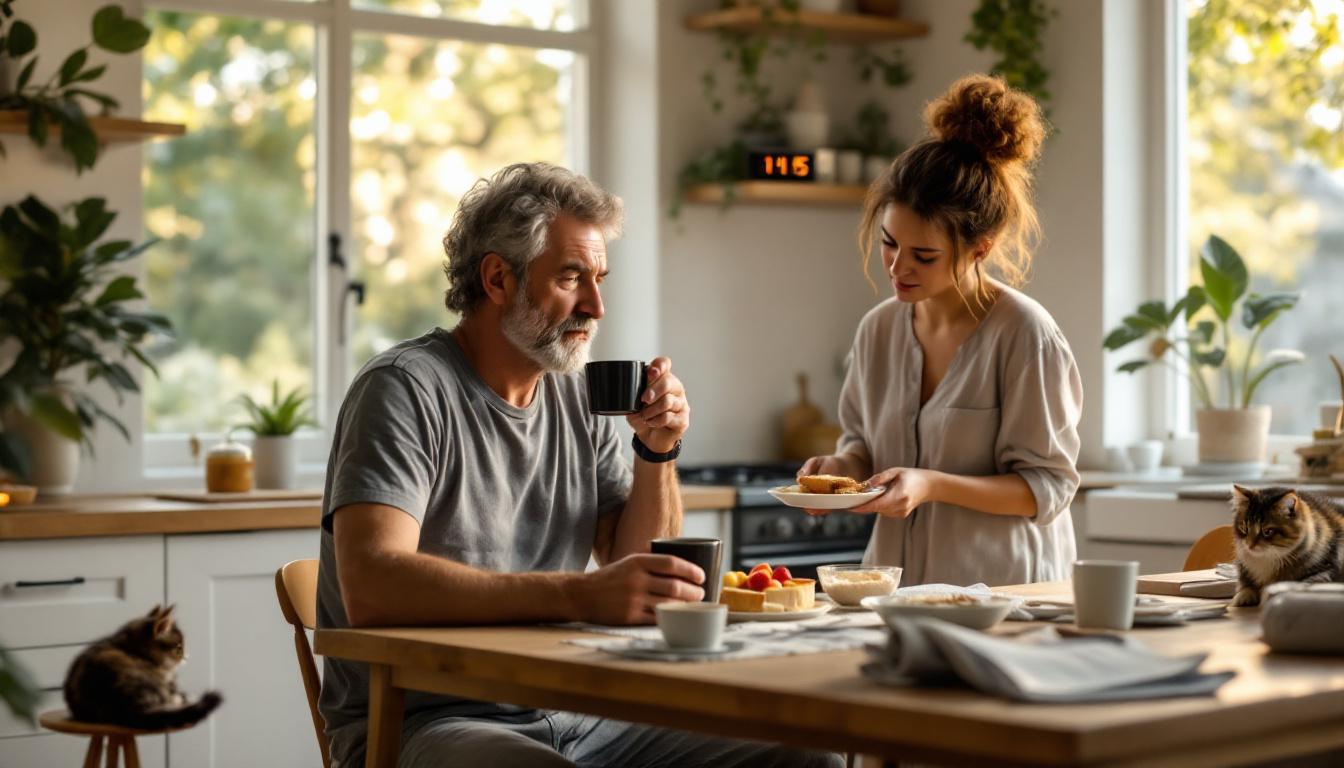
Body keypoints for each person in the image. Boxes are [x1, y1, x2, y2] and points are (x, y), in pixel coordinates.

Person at [315, 162, 842, 768]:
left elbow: (630, 563)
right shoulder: (406, 389)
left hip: (581, 711)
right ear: (496, 279)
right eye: (571, 277)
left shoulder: (575, 393)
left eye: (599, 278)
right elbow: (374, 587)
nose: (596, 305)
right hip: (427, 719)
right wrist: (579, 594)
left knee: (806, 760)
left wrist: (657, 449)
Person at [799, 75, 1083, 587]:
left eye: (923, 256)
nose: (897, 268)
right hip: (894, 591)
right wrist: (839, 466)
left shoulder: (1024, 335)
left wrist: (930, 485)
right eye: (889, 244)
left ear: (981, 247)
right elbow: (862, 444)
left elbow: (1047, 487)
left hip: (1005, 593)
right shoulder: (877, 331)